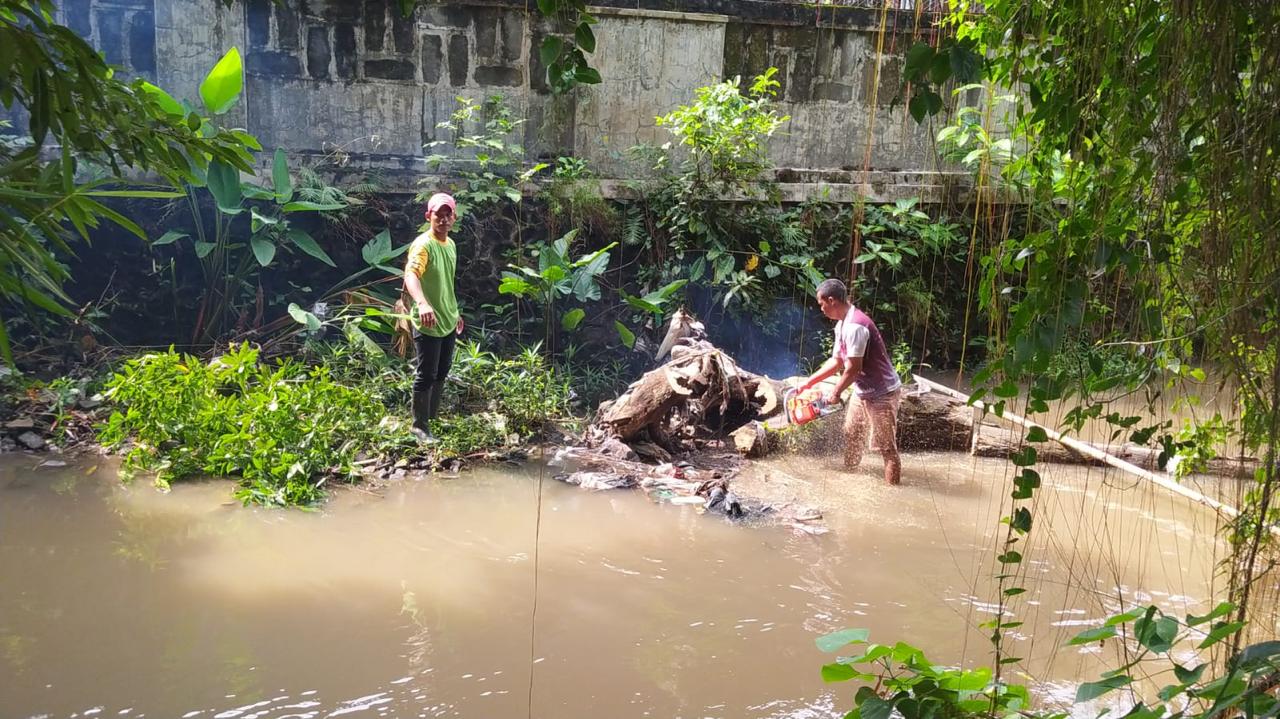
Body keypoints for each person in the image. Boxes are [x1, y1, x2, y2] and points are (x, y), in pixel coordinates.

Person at [798, 278, 903, 484]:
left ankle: (893, 493)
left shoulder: (856, 326)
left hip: (883, 392)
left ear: (832, 300)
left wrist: (835, 393)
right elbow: (837, 361)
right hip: (862, 389)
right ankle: (850, 478)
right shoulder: (841, 325)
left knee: (887, 448)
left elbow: (853, 369)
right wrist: (809, 382)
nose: (821, 309)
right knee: (852, 433)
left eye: (821, 304)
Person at [403, 192, 463, 441]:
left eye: (448, 214)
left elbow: (446, 284)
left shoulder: (450, 245)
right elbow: (411, 275)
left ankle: (432, 420)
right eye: (439, 214)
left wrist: (455, 312)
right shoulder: (423, 245)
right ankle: (419, 426)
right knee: (426, 372)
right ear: (429, 216)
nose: (444, 219)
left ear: (454, 217)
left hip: (447, 319)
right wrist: (422, 303)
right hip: (428, 320)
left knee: (442, 370)